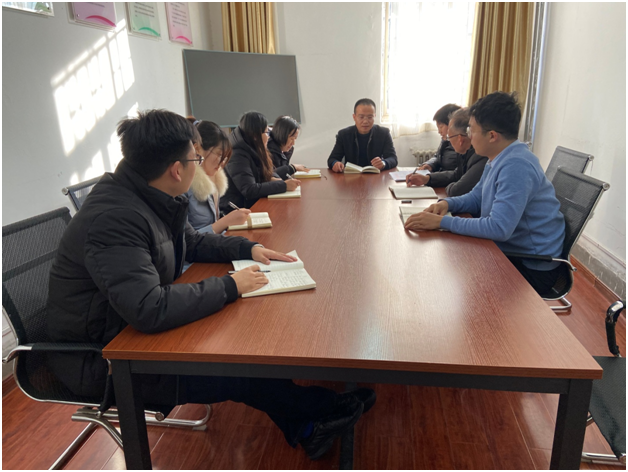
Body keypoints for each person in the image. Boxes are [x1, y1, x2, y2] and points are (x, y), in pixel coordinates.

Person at [46, 109, 375, 461]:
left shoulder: (150, 193)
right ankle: (317, 414)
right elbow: (149, 308)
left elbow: (193, 242)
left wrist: (248, 248)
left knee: (246, 345)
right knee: (240, 366)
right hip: (104, 359)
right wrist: (231, 286)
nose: (200, 166)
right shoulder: (115, 218)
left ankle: (308, 422)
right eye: (196, 159)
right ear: (177, 169)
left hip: (124, 329)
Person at [405, 92, 565, 296]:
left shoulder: (516, 165)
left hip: (531, 265)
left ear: (492, 136)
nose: (469, 135)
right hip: (511, 250)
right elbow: (476, 196)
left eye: (472, 129)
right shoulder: (497, 157)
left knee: (446, 277)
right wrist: (447, 205)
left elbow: (498, 228)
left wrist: (441, 222)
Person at [221, 111, 300, 214]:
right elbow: (249, 190)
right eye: (266, 133)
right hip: (237, 211)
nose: (268, 136)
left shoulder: (253, 146)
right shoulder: (236, 154)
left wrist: (275, 179)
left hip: (252, 204)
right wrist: (283, 185)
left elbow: (269, 170)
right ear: (256, 135)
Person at [185, 118, 251, 233]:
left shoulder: (214, 178)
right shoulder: (184, 186)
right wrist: (225, 222)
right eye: (219, 154)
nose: (222, 163)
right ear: (197, 149)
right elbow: (186, 240)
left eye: (224, 157)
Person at [406, 108, 488, 199]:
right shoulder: (465, 152)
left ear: (460, 139)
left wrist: (449, 187)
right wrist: (427, 179)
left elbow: (456, 191)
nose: (448, 141)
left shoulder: (480, 156)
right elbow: (456, 175)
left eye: (449, 137)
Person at [327, 98, 398, 172]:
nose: (365, 121)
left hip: (375, 176)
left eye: (370, 117)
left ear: (374, 116)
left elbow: (393, 158)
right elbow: (332, 159)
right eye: (361, 117)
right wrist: (335, 163)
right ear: (354, 117)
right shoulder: (344, 135)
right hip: (351, 176)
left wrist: (383, 163)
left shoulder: (384, 133)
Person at [417, 104, 461, 173]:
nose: (439, 131)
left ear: (452, 124)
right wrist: (429, 165)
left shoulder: (462, 145)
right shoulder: (445, 140)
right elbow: (438, 156)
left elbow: (456, 174)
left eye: (441, 127)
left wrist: (430, 177)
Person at [268, 115, 306, 179]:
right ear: (281, 134)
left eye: (295, 139)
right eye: (291, 138)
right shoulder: (268, 149)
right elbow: (268, 176)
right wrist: (292, 168)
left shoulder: (286, 150)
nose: (293, 143)